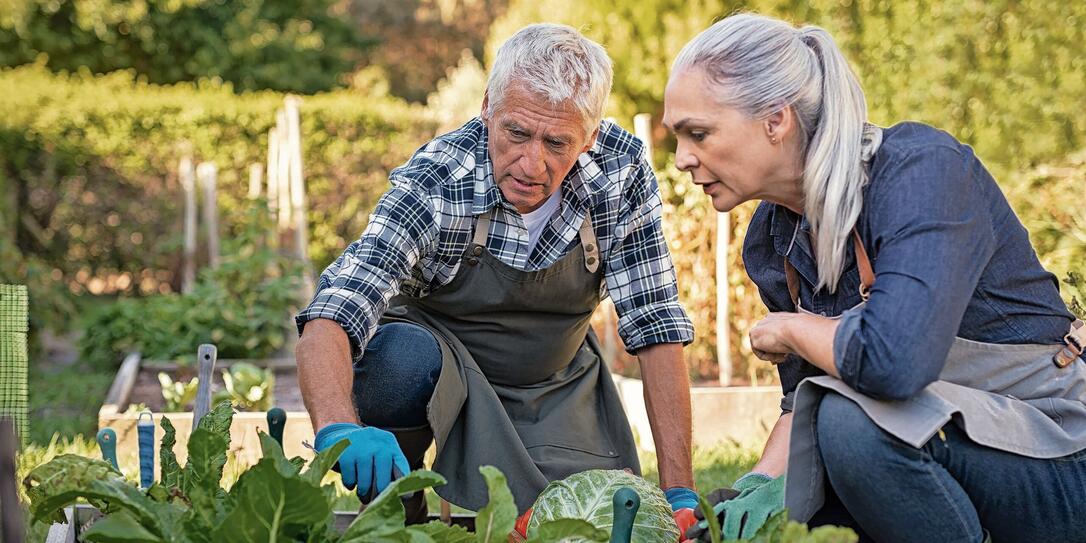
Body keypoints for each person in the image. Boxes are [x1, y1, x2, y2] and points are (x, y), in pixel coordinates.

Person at [664, 13, 1086, 543]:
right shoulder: (772, 240)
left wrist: (792, 329)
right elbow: (804, 403)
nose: (681, 159)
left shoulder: (921, 173)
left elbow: (894, 362)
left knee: (850, 427)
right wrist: (753, 497)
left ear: (776, 120)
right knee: (804, 483)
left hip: (1056, 447)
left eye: (697, 133)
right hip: (940, 442)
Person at [294, 22, 701, 529]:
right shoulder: (440, 180)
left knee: (578, 525)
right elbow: (335, 309)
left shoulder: (620, 171)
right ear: (488, 106)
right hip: (442, 370)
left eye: (557, 142)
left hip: (554, 380)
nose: (531, 164)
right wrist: (338, 427)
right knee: (396, 361)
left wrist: (681, 489)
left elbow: (656, 322)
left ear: (591, 136)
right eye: (515, 133)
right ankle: (397, 510)